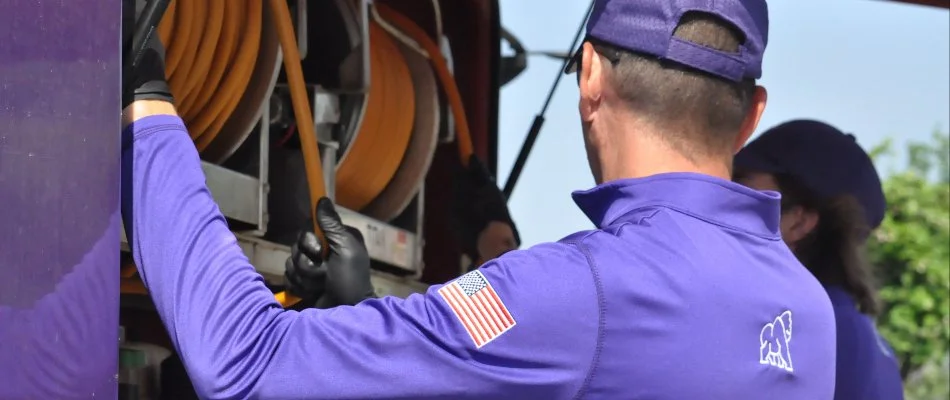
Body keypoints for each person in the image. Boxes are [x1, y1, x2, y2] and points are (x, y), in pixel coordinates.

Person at [121, 0, 838, 398]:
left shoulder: (578, 293)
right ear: (752, 114)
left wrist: (143, 102)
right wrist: (369, 326)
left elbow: (245, 364)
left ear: (588, 76)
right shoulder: (805, 310)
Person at [733, 119, 905, 400]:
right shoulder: (861, 339)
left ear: (798, 222)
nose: (722, 193)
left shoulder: (799, 332)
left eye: (741, 182)